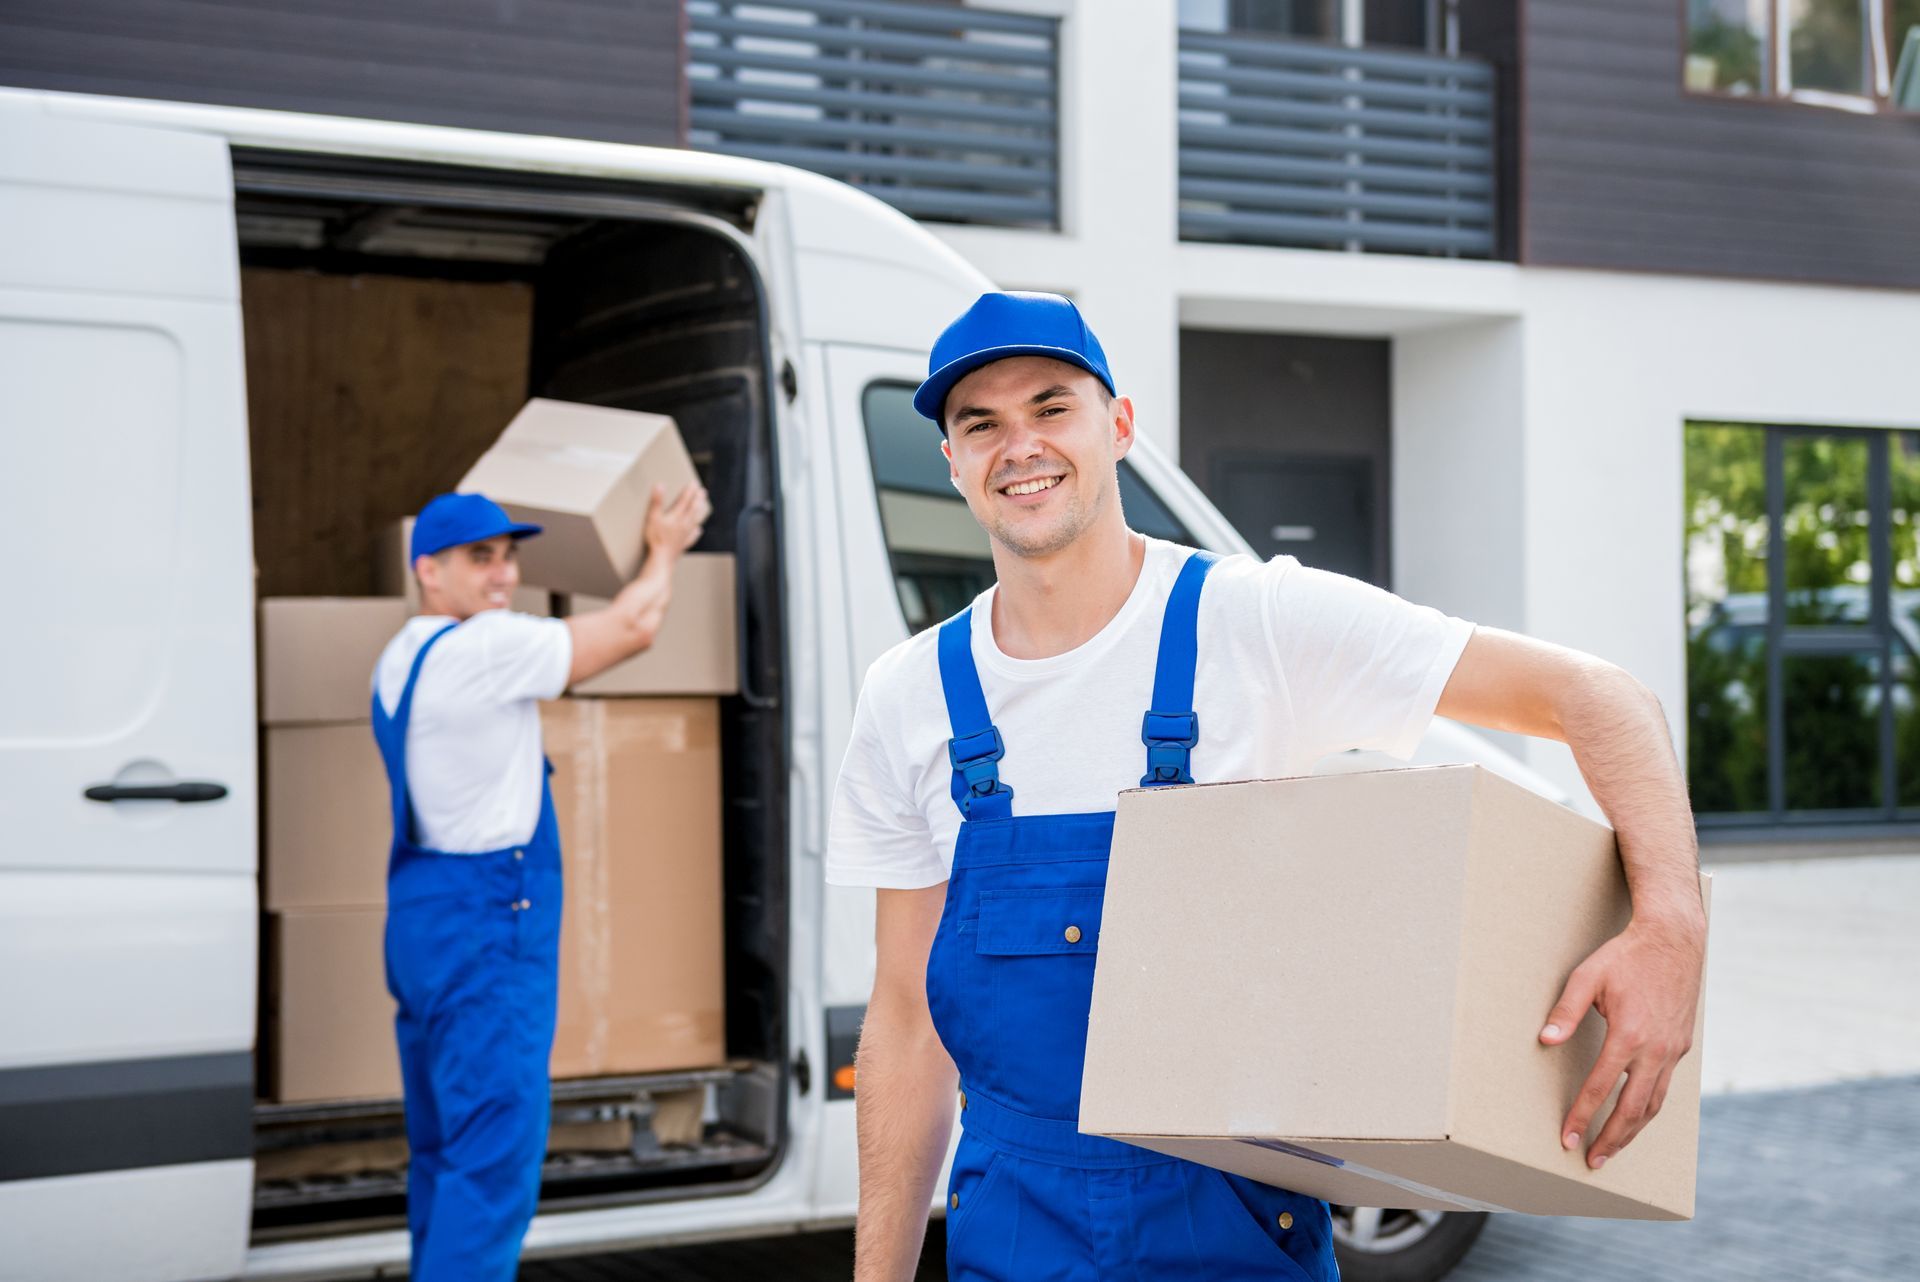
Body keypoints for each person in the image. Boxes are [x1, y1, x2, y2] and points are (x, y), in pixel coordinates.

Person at [828, 292, 1708, 1281]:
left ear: (1119, 426)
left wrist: (1670, 928)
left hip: (1231, 1230)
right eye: (980, 424)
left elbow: (1599, 696)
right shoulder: (908, 697)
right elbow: (905, 1019)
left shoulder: (1258, 622)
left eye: (1050, 407)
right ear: (952, 462)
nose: (1018, 445)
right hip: (1013, 1232)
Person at [370, 483, 710, 1282]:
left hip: (423, 925)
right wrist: (664, 547)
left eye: (509, 555)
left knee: (445, 1154)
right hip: (489, 932)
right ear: (428, 570)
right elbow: (634, 626)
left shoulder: (401, 657)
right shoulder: (484, 649)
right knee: (492, 1166)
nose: (502, 575)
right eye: (478, 558)